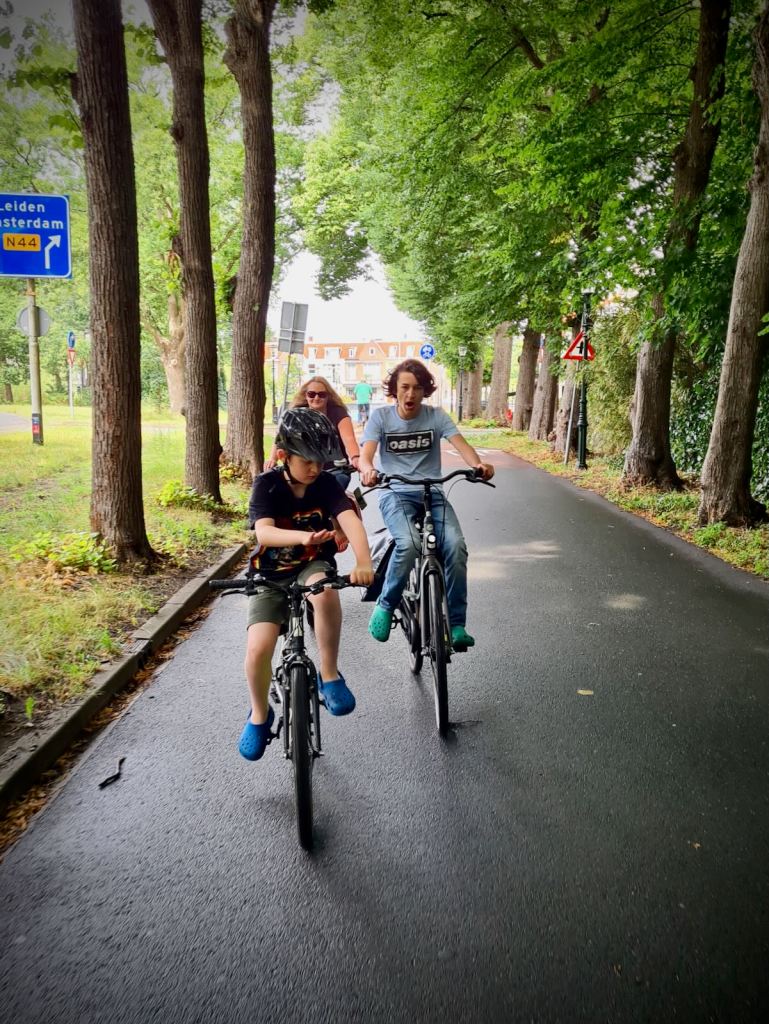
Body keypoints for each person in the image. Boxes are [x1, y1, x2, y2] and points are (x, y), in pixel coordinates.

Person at [240, 407, 374, 762]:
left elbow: (350, 519)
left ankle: (329, 673)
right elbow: (263, 531)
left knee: (326, 590)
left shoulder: (326, 483)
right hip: (269, 575)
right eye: (308, 461)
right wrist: (302, 537)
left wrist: (364, 561)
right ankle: (259, 714)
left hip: (311, 565)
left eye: (321, 460)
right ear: (284, 455)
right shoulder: (266, 484)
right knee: (258, 649)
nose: (316, 468)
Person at [359, 358, 494, 652]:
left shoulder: (436, 417)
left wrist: (478, 465)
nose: (410, 394)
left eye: (417, 388)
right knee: (407, 544)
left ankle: (456, 624)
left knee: (455, 547)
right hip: (395, 492)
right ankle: (385, 604)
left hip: (432, 492)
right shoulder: (381, 418)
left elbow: (463, 446)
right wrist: (367, 469)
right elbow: (367, 453)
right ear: (395, 389)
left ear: (425, 391)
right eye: (405, 387)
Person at [267, 376, 360, 488]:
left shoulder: (338, 413)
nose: (316, 398)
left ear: (328, 397)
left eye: (322, 394)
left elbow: (349, 439)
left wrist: (356, 458)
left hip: (335, 471)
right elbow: (280, 438)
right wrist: (272, 459)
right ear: (305, 395)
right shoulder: (296, 414)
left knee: (333, 492)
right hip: (302, 472)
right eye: (311, 394)